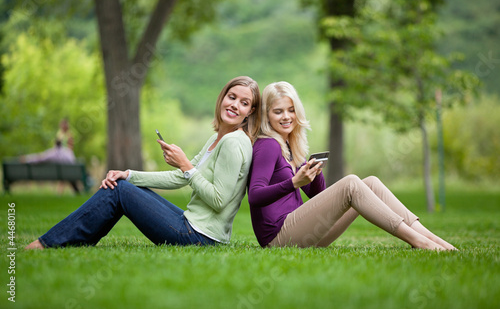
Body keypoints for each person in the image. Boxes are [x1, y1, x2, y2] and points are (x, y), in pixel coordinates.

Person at [25, 76, 261, 250]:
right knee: (122, 186)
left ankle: (49, 243)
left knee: (118, 192)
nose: (234, 105)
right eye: (232, 97)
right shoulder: (217, 138)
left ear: (249, 112)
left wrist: (186, 166)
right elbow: (180, 177)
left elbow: (219, 200)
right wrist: (128, 174)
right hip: (193, 226)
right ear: (222, 98)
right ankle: (72, 241)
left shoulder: (233, 143)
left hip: (201, 237)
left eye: (243, 103)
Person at [247, 81, 456, 250]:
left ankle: (432, 238)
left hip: (305, 232)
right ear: (267, 115)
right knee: (351, 184)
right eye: (278, 111)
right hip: (279, 237)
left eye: (291, 110)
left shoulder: (289, 147)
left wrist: (315, 173)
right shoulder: (268, 145)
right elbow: (255, 196)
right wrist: (294, 183)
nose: (286, 117)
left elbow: (319, 196)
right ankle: (419, 242)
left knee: (371, 183)